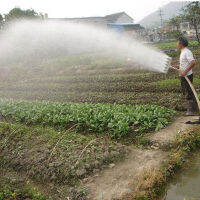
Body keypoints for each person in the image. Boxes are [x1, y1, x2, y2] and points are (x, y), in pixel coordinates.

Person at [173, 36, 197, 116]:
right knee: (187, 91)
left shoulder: (187, 52)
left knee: (188, 92)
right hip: (183, 75)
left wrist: (185, 71)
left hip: (187, 76)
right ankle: (194, 107)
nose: (177, 44)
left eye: (177, 42)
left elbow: (192, 62)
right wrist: (179, 67)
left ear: (181, 43)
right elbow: (185, 63)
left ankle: (191, 111)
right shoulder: (183, 52)